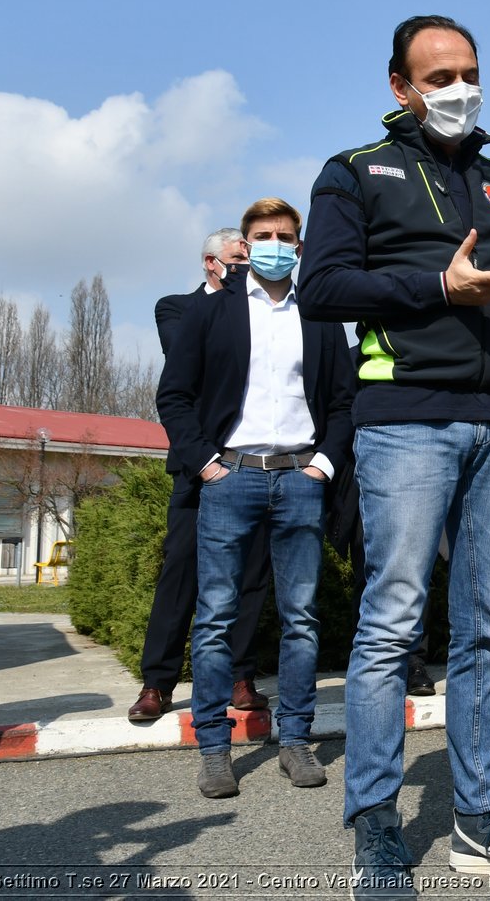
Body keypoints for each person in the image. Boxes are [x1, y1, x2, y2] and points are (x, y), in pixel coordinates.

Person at [299, 14, 490, 897]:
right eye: (438, 75)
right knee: (389, 626)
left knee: (487, 629)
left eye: (468, 71)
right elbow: (322, 287)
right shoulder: (354, 172)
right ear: (400, 87)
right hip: (406, 418)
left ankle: (479, 823)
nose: (458, 88)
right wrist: (435, 285)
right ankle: (376, 830)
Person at [155, 197, 354, 800]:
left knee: (300, 619)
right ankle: (214, 748)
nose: (274, 243)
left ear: (300, 246)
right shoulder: (210, 315)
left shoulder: (319, 317)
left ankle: (295, 741)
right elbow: (175, 397)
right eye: (262, 234)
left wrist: (322, 465)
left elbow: (345, 402)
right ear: (244, 244)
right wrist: (207, 464)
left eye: (285, 235)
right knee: (214, 618)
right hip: (230, 477)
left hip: (299, 479)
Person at [129, 228, 274, 723]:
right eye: (238, 258)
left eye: (249, 259)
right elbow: (192, 359)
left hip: (255, 463)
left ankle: (240, 675)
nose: (246, 264)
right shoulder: (176, 308)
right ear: (211, 263)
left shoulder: (266, 312)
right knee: (181, 573)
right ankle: (158, 683)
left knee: (251, 576)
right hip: (201, 467)